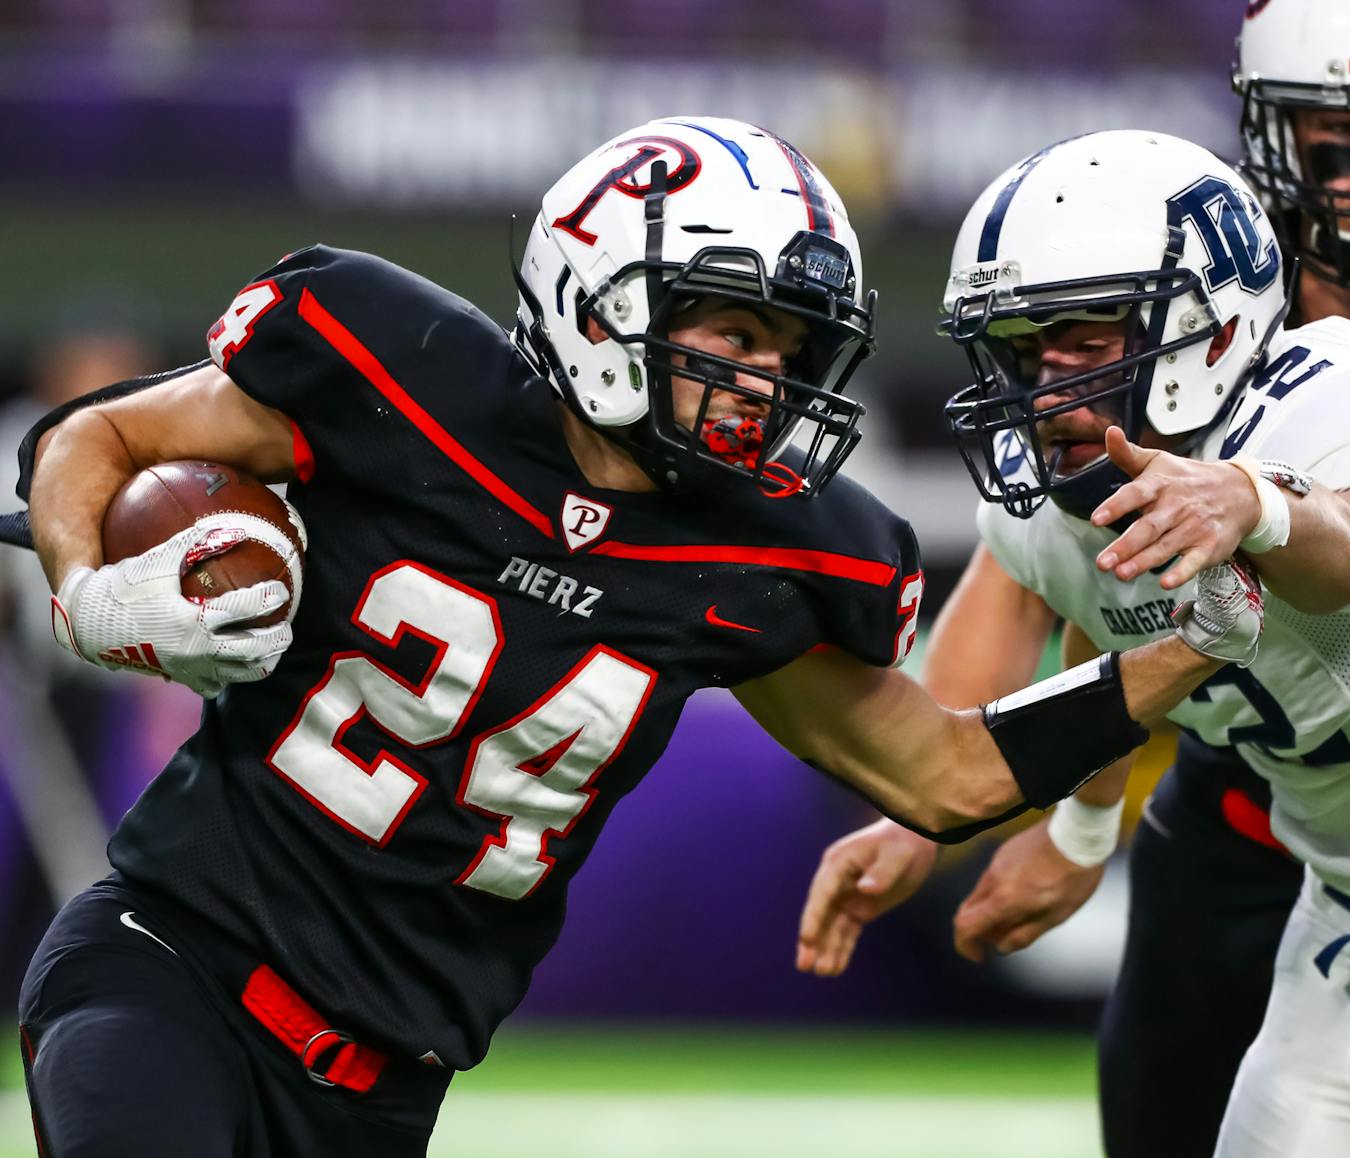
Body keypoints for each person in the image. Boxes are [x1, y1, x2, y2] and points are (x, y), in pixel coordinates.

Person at [5, 117, 1250, 1158]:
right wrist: (89, 590)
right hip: (166, 962)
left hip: (384, 1080)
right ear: (599, 298)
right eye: (731, 333)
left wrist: (1187, 645)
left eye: (785, 349)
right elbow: (92, 439)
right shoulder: (401, 376)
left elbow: (946, 775)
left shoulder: (766, 558)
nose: (765, 380)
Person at [796, 127, 1350, 1158]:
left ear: (1209, 328)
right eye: (1022, 347)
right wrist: (1005, 830)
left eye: (1084, 339)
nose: (1046, 387)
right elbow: (1096, 627)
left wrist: (1258, 504)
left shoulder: (1342, 396)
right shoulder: (1066, 502)